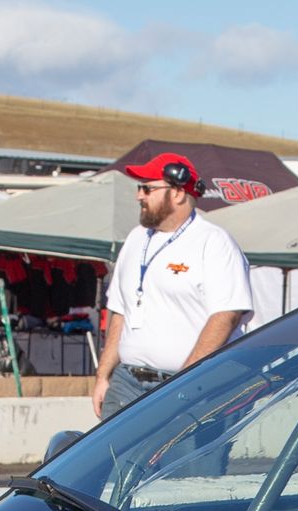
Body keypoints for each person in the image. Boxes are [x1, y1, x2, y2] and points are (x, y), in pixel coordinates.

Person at [93, 152, 251, 418]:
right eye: (139, 188)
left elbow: (226, 316)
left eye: (147, 188)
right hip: (127, 384)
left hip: (194, 385)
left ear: (178, 193)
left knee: (189, 461)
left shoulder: (213, 242)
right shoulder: (135, 239)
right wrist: (103, 376)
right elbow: (120, 311)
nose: (138, 196)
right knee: (114, 459)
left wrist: (185, 382)